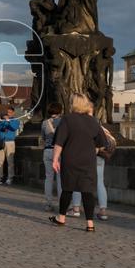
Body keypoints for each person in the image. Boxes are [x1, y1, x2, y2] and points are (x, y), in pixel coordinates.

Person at [50, 93, 115, 232]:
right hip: (88, 161)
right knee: (88, 192)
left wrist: (55, 159)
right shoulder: (93, 121)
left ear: (73, 103)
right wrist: (92, 150)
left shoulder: (67, 119)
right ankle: (90, 224)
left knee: (67, 188)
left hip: (70, 159)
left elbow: (59, 142)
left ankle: (61, 218)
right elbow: (102, 143)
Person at [41, 102, 65, 211]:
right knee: (60, 179)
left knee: (48, 178)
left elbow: (43, 137)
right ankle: (62, 204)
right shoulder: (63, 122)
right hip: (59, 152)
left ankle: (48, 203)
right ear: (60, 111)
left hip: (47, 151)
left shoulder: (45, 123)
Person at [0, 107, 20, 186]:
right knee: (0, 161)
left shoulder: (15, 120)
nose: (8, 113)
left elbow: (14, 127)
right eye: (7, 112)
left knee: (10, 161)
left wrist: (8, 122)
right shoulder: (2, 120)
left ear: (13, 113)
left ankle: (10, 177)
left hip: (10, 142)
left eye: (10, 112)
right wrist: (3, 121)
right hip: (1, 142)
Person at [96, 127, 116, 220]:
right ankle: (103, 211)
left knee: (79, 181)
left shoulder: (85, 124)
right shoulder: (103, 128)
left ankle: (75, 208)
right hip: (100, 157)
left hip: (89, 155)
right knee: (100, 183)